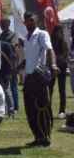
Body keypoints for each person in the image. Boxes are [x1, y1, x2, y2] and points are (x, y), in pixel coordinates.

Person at [22, 13, 57, 147]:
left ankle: (45, 137)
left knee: (42, 107)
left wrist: (53, 64)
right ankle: (37, 136)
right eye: (27, 21)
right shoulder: (26, 37)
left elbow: (50, 50)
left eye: (31, 20)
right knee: (30, 108)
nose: (29, 23)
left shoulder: (42, 34)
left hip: (39, 76)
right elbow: (29, 57)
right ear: (24, 23)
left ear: (36, 21)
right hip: (29, 77)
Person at [0, 19, 18, 116]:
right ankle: (7, 108)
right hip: (1, 64)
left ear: (8, 24)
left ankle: (14, 108)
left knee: (11, 88)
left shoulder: (13, 35)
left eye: (4, 24)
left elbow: (15, 50)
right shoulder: (0, 35)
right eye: (1, 24)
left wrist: (14, 66)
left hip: (10, 64)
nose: (2, 25)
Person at [49, 25, 69, 119]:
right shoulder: (50, 43)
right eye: (57, 32)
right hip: (52, 68)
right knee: (50, 90)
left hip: (61, 69)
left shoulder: (64, 43)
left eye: (60, 32)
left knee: (62, 90)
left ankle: (62, 110)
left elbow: (65, 56)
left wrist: (58, 63)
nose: (59, 34)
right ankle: (48, 109)